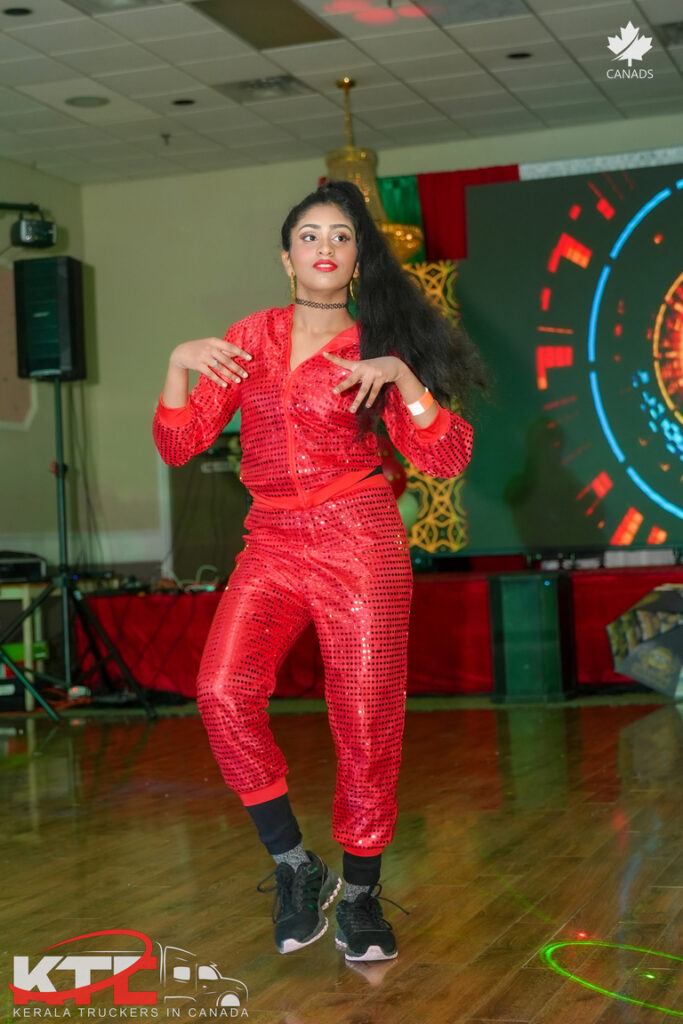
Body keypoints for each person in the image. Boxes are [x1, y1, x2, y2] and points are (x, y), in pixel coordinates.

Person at [152, 180, 485, 963]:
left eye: (340, 236)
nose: (324, 247)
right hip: (270, 538)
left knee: (365, 718)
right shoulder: (252, 338)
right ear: (286, 258)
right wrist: (178, 363)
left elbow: (445, 455)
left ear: (358, 258)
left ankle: (362, 895)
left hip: (358, 538)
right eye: (309, 236)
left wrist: (402, 377)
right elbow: (179, 444)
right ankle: (295, 865)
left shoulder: (378, 344)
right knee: (221, 690)